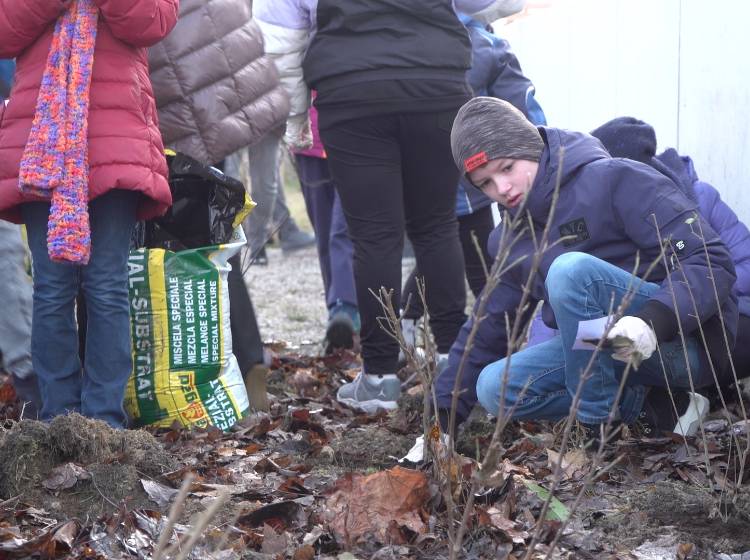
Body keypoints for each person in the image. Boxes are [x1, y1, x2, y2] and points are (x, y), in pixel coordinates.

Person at [255, 0, 515, 414]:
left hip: (351, 92)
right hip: (435, 83)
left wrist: (296, 117)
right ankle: (453, 360)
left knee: (374, 236)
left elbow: (281, 39)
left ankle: (378, 378)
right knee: (437, 226)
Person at [435, 97, 737, 440]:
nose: (501, 189)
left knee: (569, 271)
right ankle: (655, 404)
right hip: (607, 350)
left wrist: (653, 321)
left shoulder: (615, 178)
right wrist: (441, 419)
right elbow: (487, 327)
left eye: (507, 168)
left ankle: (595, 428)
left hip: (680, 343)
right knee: (494, 388)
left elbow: (711, 259)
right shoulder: (510, 241)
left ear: (530, 148)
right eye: (486, 183)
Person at [0, 0, 178, 428]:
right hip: (42, 146)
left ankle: (103, 421)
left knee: (106, 284)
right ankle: (59, 419)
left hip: (116, 142)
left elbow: (155, 21)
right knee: (52, 287)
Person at [528, 116, 750, 383]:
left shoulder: (699, 197)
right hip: (646, 326)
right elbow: (557, 309)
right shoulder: (597, 222)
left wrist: (667, 296)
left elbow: (741, 264)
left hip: (722, 320)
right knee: (595, 342)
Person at [148, 0, 291, 410]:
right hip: (216, 88)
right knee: (214, 236)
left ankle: (191, 369)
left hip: (173, 96)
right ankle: (248, 356)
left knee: (177, 242)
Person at [401, 11, 546, 348]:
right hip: (473, 181)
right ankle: (494, 342)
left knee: (440, 252)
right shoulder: (486, 46)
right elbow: (522, 107)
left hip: (432, 176)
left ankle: (409, 317)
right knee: (481, 266)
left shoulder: (413, 42)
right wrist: (543, 145)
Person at [292, 100, 359, 354]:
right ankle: (338, 318)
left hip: (355, 135)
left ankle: (347, 308)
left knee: (342, 232)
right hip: (309, 140)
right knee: (324, 235)